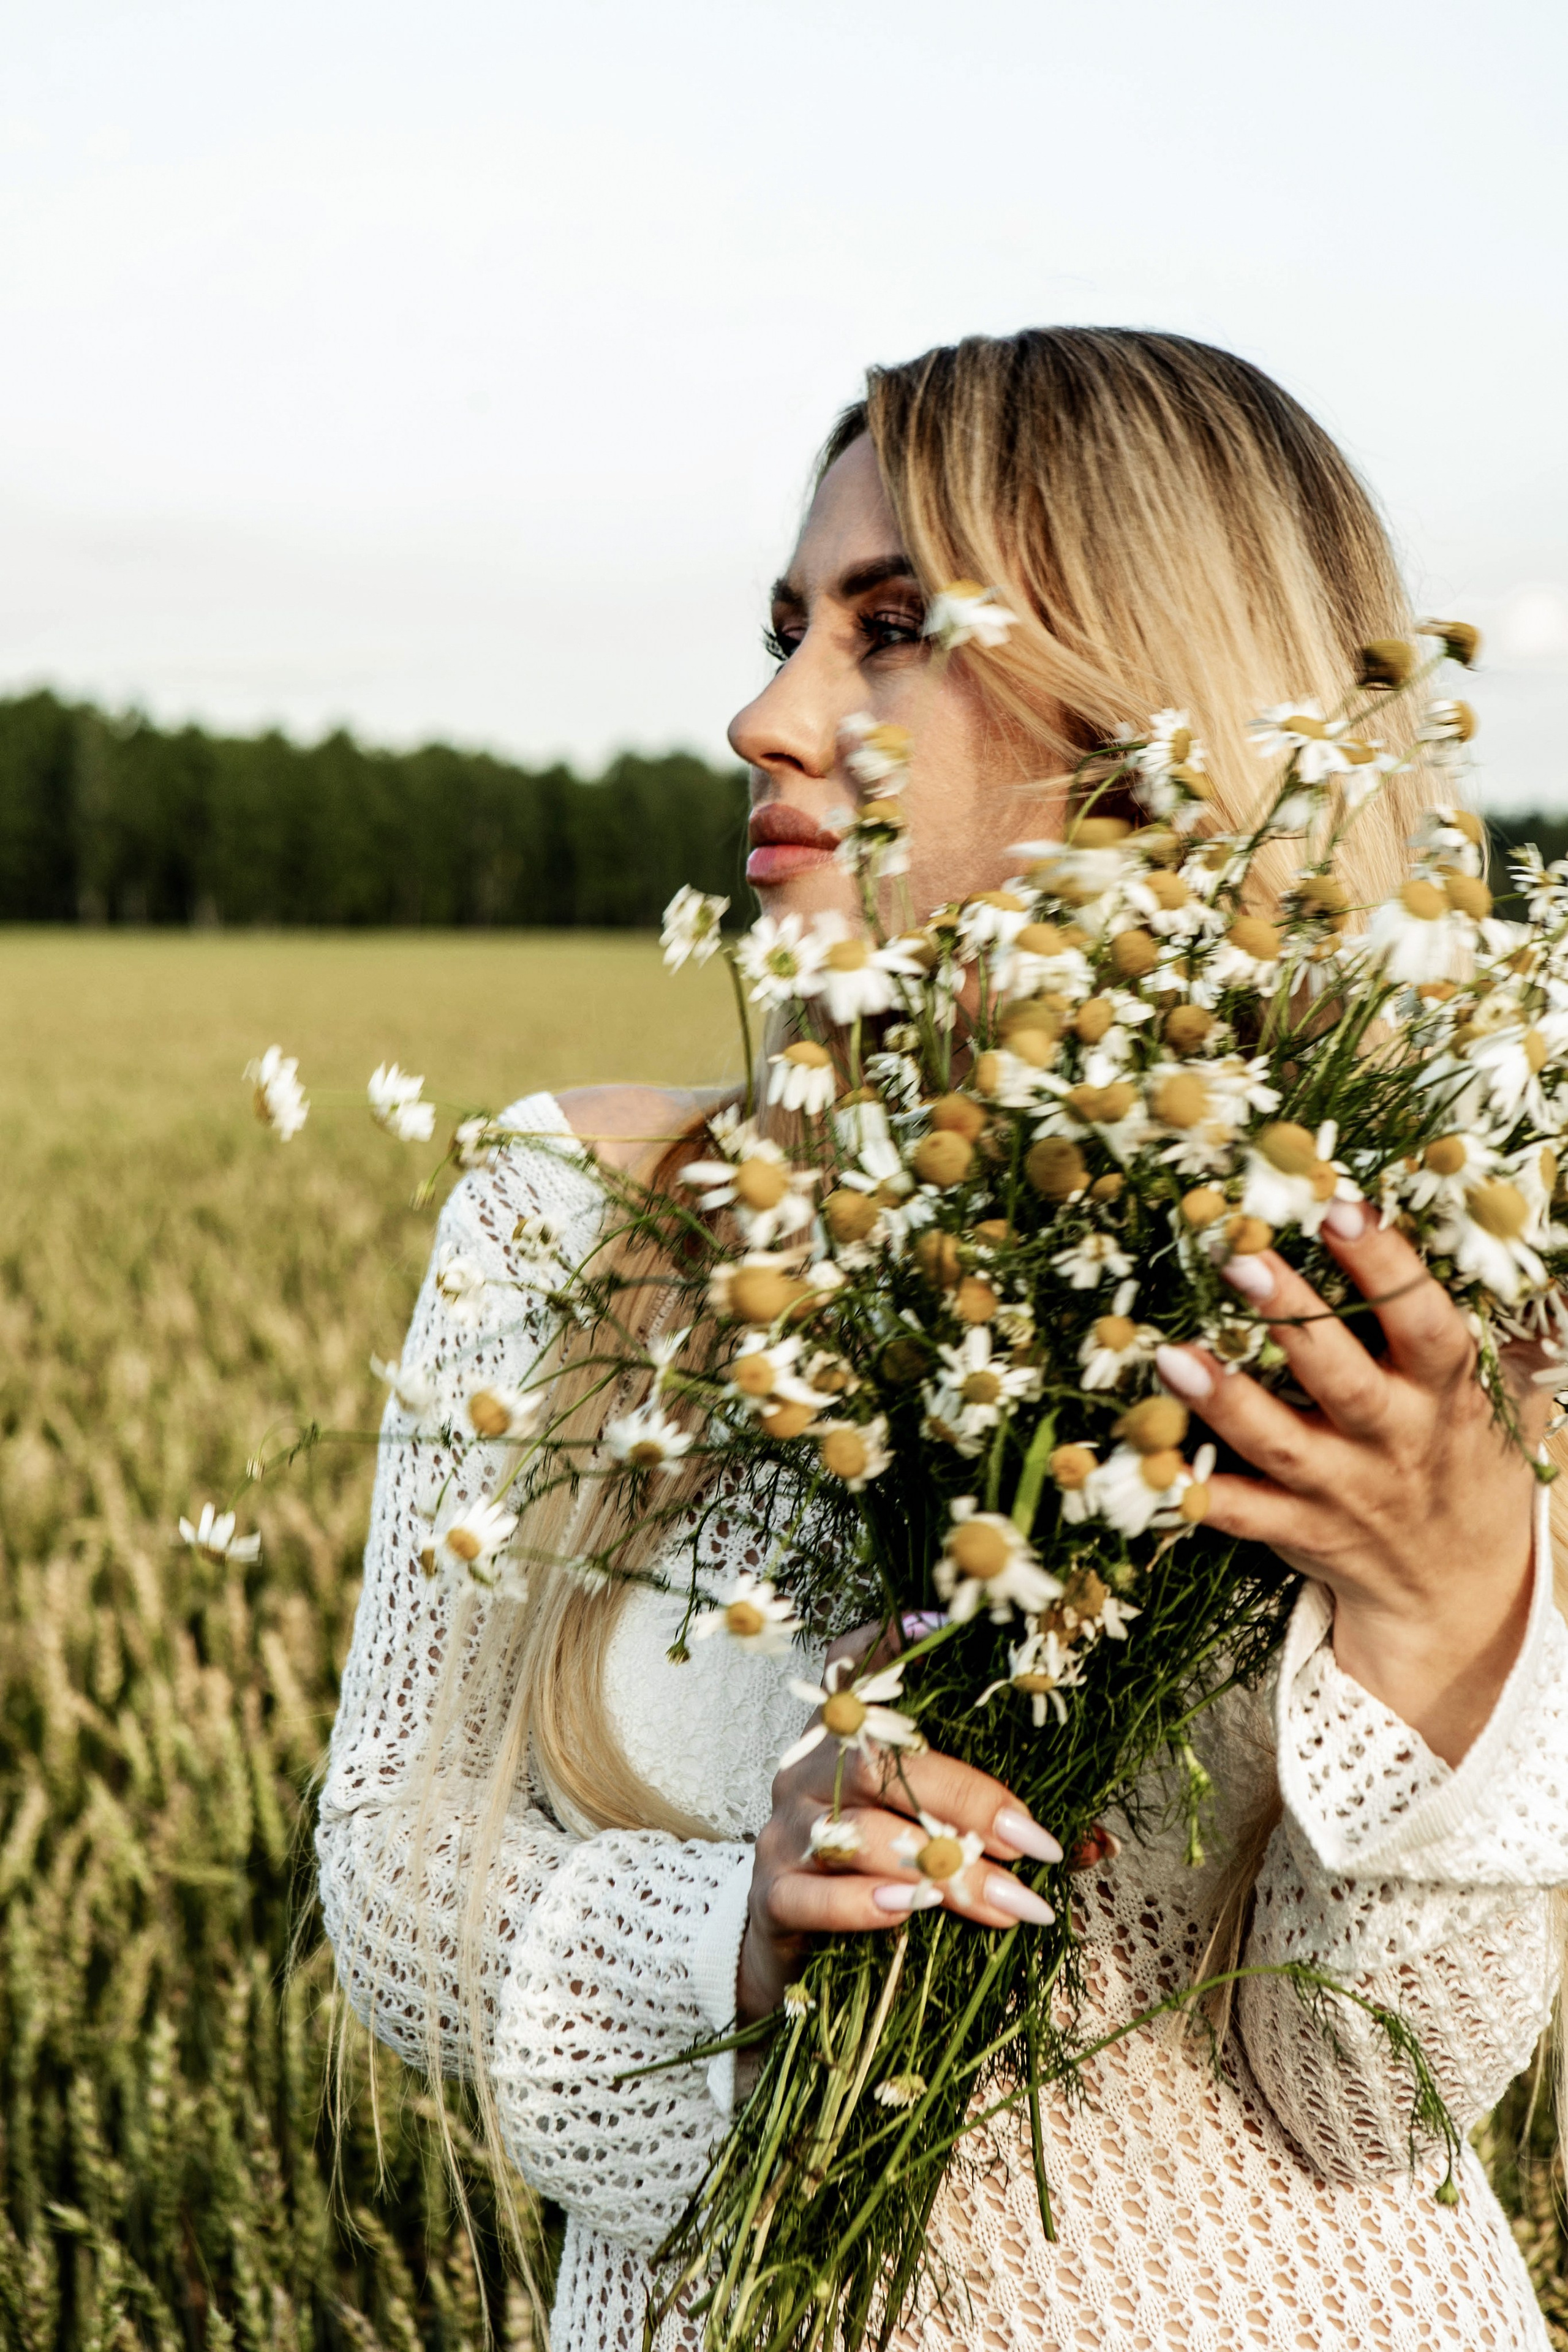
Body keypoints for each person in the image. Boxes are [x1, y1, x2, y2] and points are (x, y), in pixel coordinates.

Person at [317, 329, 1568, 2350]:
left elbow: (1372, 2106)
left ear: (1145, 702)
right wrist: (739, 1925)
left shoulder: (1403, 1290)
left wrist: (1450, 1628)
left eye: (889, 630)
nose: (763, 714)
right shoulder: (577, 1217)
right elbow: (396, 1870)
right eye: (788, 624)